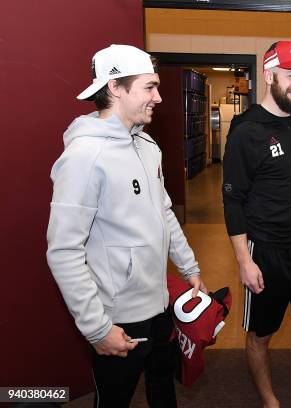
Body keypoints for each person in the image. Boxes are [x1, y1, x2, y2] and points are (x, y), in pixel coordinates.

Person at [46, 44, 206, 408]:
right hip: (118, 317)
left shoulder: (147, 146)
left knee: (163, 387)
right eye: (149, 87)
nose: (159, 97)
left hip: (160, 303)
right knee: (115, 399)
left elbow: (164, 212)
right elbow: (63, 251)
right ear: (115, 87)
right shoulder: (85, 157)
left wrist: (189, 268)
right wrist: (97, 328)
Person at [222, 40, 291, 408]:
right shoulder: (246, 131)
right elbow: (233, 199)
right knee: (260, 333)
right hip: (266, 249)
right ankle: (270, 401)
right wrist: (243, 259)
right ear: (269, 75)